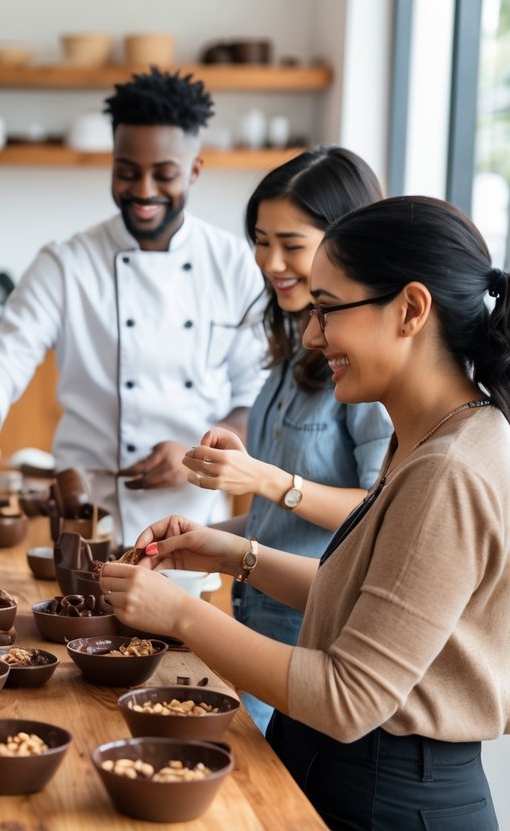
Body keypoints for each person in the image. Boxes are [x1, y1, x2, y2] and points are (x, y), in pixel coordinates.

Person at [103, 196, 509, 829]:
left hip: (393, 799)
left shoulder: (449, 470)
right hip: (349, 773)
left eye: (328, 311)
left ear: (410, 309)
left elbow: (349, 696)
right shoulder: (430, 438)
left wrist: (180, 613)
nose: (314, 337)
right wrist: (232, 554)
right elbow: (369, 606)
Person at [0, 68, 267, 544]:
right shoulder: (67, 262)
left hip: (194, 524)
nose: (144, 190)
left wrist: (196, 454)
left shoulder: (234, 263)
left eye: (164, 174)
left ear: (194, 170)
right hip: (81, 517)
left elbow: (253, 397)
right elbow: (4, 359)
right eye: (127, 172)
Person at [179, 147, 392, 732]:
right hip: (255, 627)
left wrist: (264, 479)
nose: (270, 261)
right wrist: (196, 539)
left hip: (312, 645)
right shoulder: (291, 354)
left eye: (291, 244)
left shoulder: (368, 373)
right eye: (260, 239)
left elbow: (384, 512)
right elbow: (273, 526)